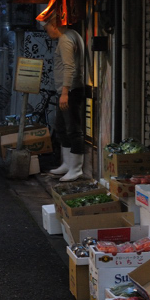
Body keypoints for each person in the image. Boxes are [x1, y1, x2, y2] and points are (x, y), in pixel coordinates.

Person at [43, 12, 85, 182]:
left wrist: (65, 92)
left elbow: (69, 67)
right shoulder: (72, 35)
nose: (48, 33)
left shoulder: (65, 39)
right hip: (66, 91)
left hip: (71, 91)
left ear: (54, 26)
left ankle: (76, 169)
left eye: (47, 30)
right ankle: (67, 164)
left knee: (73, 128)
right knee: (61, 126)